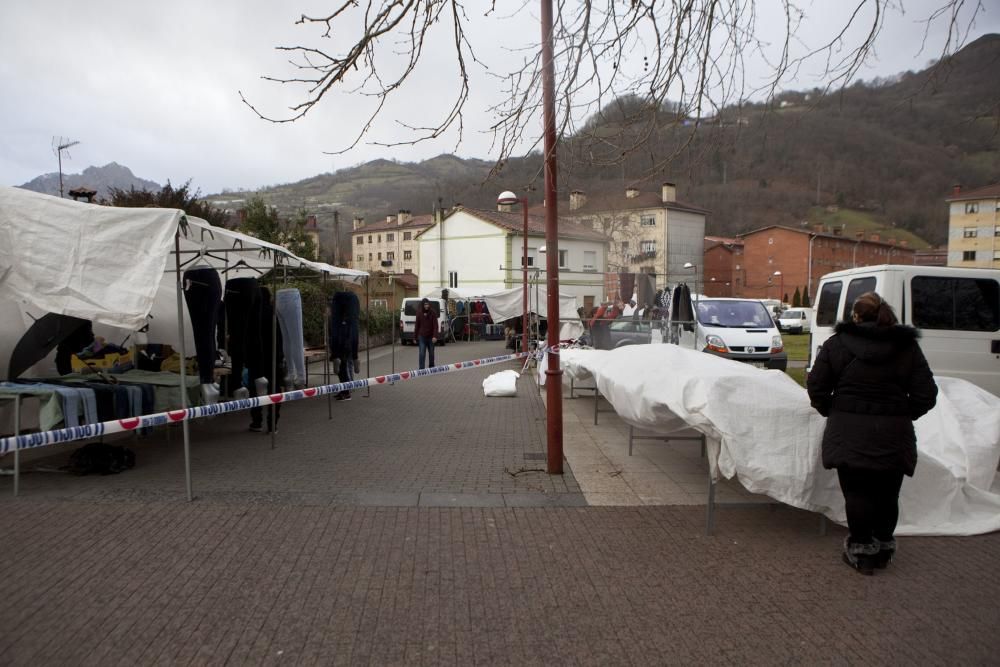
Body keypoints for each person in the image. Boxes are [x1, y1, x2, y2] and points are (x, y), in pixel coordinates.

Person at [807, 292, 938, 575]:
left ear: (856, 315)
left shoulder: (836, 345)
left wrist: (833, 409)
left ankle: (861, 549)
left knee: (856, 493)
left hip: (848, 432)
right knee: (888, 494)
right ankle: (882, 547)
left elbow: (816, 387)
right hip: (893, 433)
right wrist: (902, 414)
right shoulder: (907, 348)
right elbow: (926, 394)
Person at [415, 297, 438, 369]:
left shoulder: (433, 313)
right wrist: (415, 337)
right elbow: (417, 325)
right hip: (422, 337)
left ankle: (431, 367)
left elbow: (435, 325)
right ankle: (421, 369)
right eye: (425, 304)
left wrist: (435, 336)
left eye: (427, 304)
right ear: (422, 305)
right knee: (422, 353)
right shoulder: (419, 313)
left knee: (431, 353)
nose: (426, 306)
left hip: (431, 336)